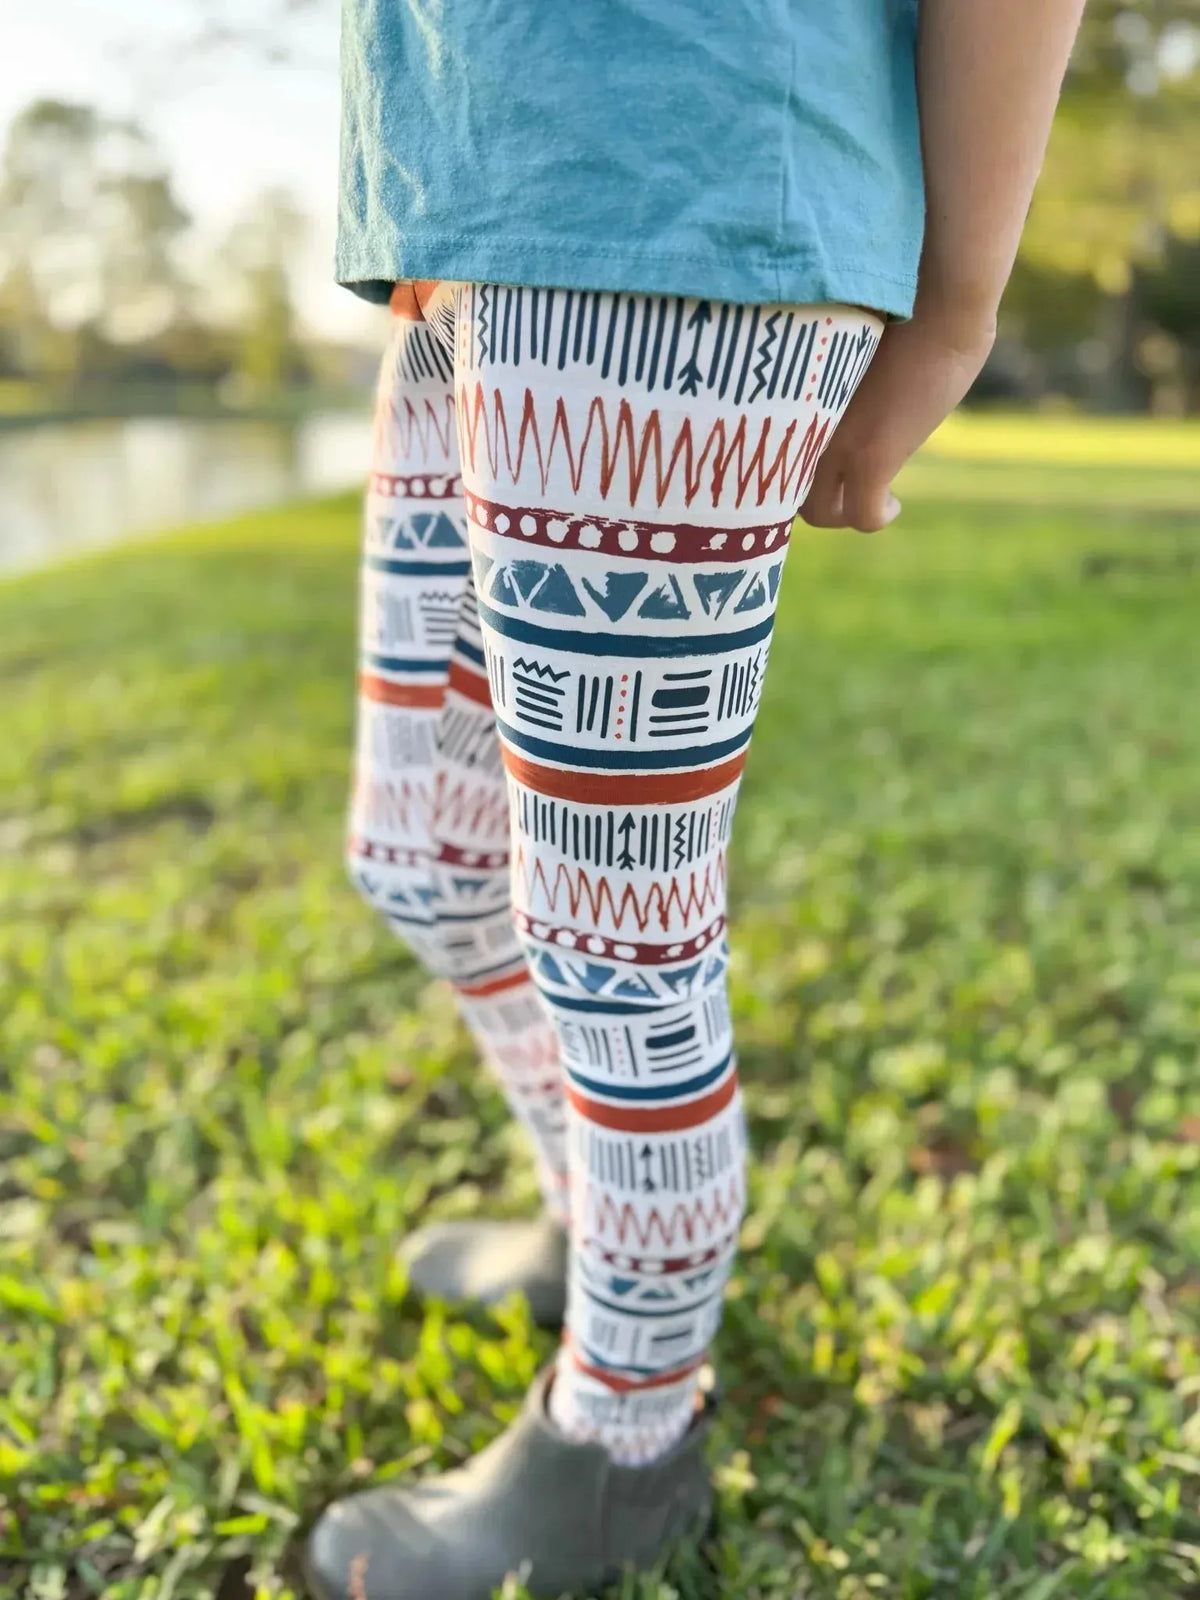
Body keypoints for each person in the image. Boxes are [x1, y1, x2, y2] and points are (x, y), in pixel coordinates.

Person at [306, 3, 1086, 1595]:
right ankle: (595, 1219)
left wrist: (954, 311)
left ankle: (630, 1430)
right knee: (425, 857)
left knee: (617, 933)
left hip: (680, 204)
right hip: (458, 211)